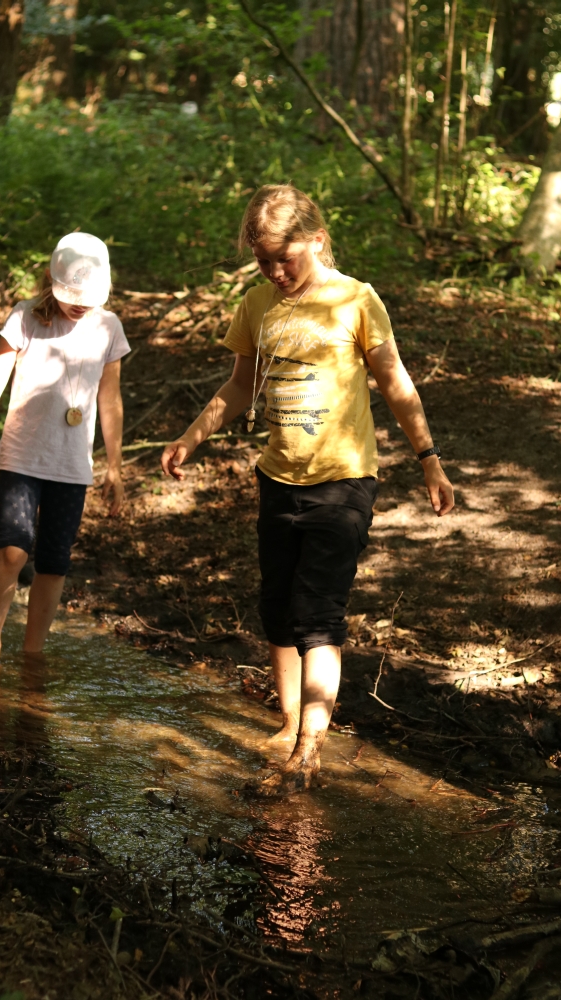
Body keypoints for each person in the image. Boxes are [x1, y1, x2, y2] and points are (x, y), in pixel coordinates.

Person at [162, 185, 455, 795]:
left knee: (317, 615)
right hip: (277, 478)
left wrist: (428, 458)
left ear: (316, 241)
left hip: (343, 480)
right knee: (277, 609)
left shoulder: (355, 300)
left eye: (285, 259)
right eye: (264, 260)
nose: (275, 271)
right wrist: (191, 438)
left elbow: (396, 383)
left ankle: (308, 751)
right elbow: (239, 385)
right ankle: (292, 722)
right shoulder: (256, 304)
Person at [0, 232, 130, 662]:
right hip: (23, 452)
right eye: (70, 293)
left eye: (88, 296)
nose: (79, 303)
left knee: (55, 561)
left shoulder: (108, 327)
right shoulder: (26, 317)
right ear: (52, 280)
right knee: (13, 547)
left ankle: (32, 654)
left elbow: (110, 399)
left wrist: (115, 466)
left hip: (71, 462)